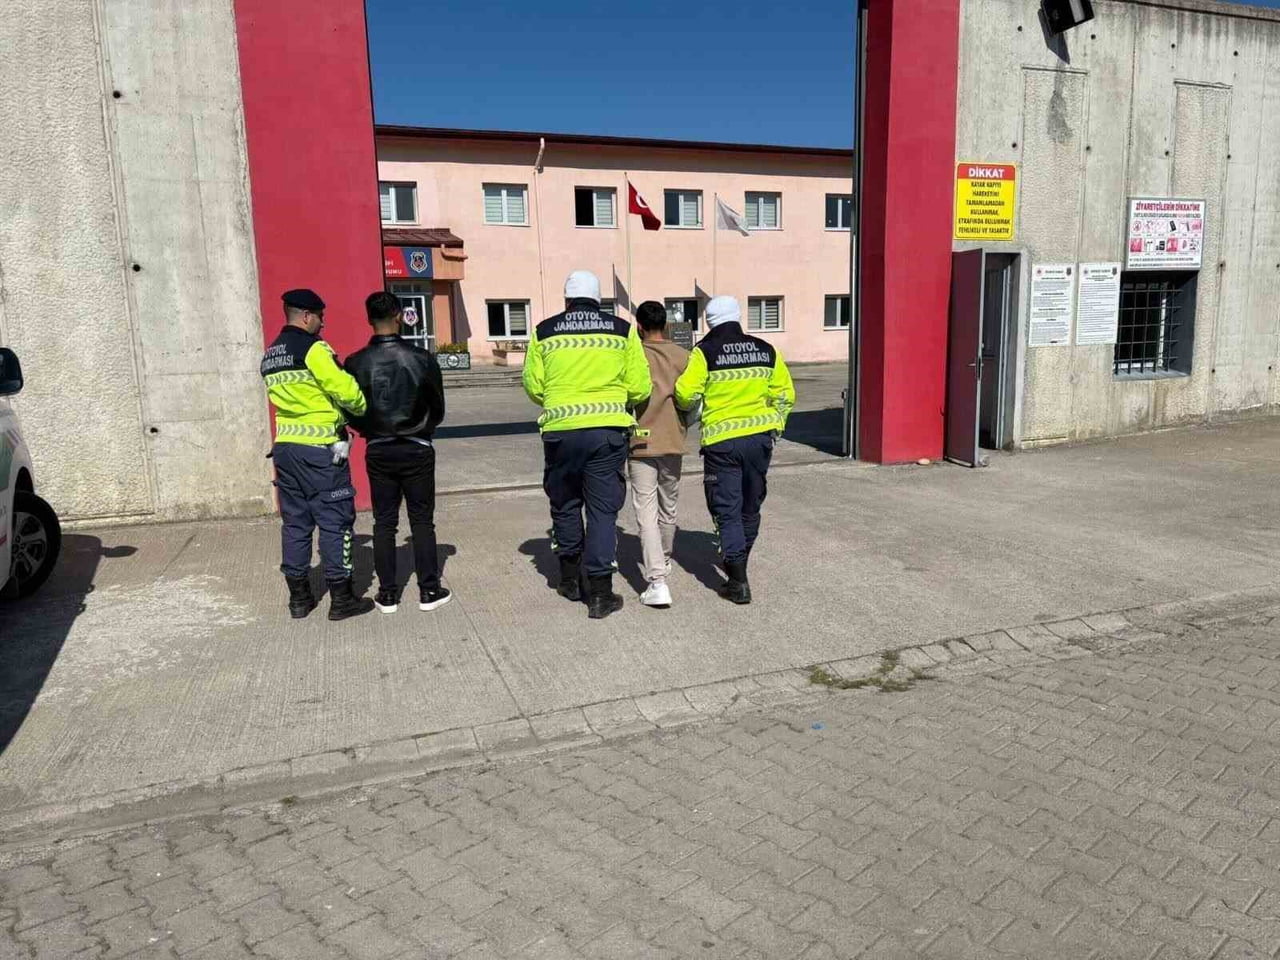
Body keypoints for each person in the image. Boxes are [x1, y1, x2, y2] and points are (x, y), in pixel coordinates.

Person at [523, 270, 651, 619]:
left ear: (566, 300)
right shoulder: (622, 330)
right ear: (598, 300)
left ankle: (568, 580)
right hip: (606, 434)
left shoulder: (544, 331)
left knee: (565, 504)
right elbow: (640, 387)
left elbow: (534, 386)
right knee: (602, 511)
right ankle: (600, 594)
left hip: (561, 432)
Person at [260, 288, 374, 621]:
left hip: (285, 450)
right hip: (322, 452)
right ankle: (342, 600)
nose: (322, 324)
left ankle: (299, 599)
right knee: (335, 522)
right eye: (320, 317)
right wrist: (362, 406)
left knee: (295, 524)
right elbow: (343, 388)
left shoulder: (271, 354)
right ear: (307, 316)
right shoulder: (312, 349)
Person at [675, 295, 795, 604]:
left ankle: (738, 580)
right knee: (750, 506)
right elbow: (785, 394)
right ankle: (738, 559)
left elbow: (685, 393)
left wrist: (690, 406)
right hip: (759, 441)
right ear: (738, 316)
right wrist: (775, 428)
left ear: (709, 321)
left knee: (726, 509)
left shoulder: (705, 352)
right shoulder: (766, 350)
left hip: (722, 443)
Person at [344, 291, 450, 615]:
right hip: (416, 447)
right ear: (400, 315)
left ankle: (387, 594)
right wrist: (421, 429)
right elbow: (438, 408)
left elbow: (352, 409)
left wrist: (371, 430)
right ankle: (429, 590)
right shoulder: (421, 358)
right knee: (422, 520)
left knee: (384, 522)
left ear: (368, 319)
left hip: (378, 448)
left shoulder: (355, 362)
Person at [628, 301, 691, 608]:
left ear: (639, 325)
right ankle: (664, 559)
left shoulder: (634, 355)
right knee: (669, 508)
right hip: (674, 440)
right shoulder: (684, 356)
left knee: (646, 513)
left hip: (640, 442)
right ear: (665, 324)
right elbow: (693, 400)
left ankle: (657, 581)